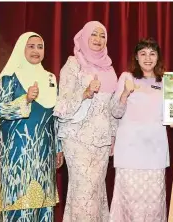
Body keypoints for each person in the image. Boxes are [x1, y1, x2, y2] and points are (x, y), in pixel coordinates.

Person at [53, 21, 127, 222]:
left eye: (102, 35)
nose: (98, 39)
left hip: (102, 140)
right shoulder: (73, 63)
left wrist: (113, 136)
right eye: (93, 34)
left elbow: (111, 109)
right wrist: (84, 93)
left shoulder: (109, 68)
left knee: (96, 191)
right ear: (84, 37)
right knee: (83, 192)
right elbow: (62, 105)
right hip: (77, 138)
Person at [0, 32, 63, 221]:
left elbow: (54, 116)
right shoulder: (10, 77)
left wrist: (58, 148)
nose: (36, 51)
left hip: (44, 153)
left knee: (43, 208)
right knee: (20, 207)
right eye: (31, 46)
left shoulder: (50, 78)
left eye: (40, 47)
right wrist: (25, 99)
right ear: (21, 48)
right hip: (17, 153)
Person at [109, 38, 170, 222]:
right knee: (130, 204)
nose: (148, 58)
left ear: (158, 57)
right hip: (130, 153)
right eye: (143, 53)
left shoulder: (166, 81)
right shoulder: (126, 77)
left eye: (152, 53)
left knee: (154, 204)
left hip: (155, 152)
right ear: (136, 57)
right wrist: (126, 93)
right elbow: (115, 112)